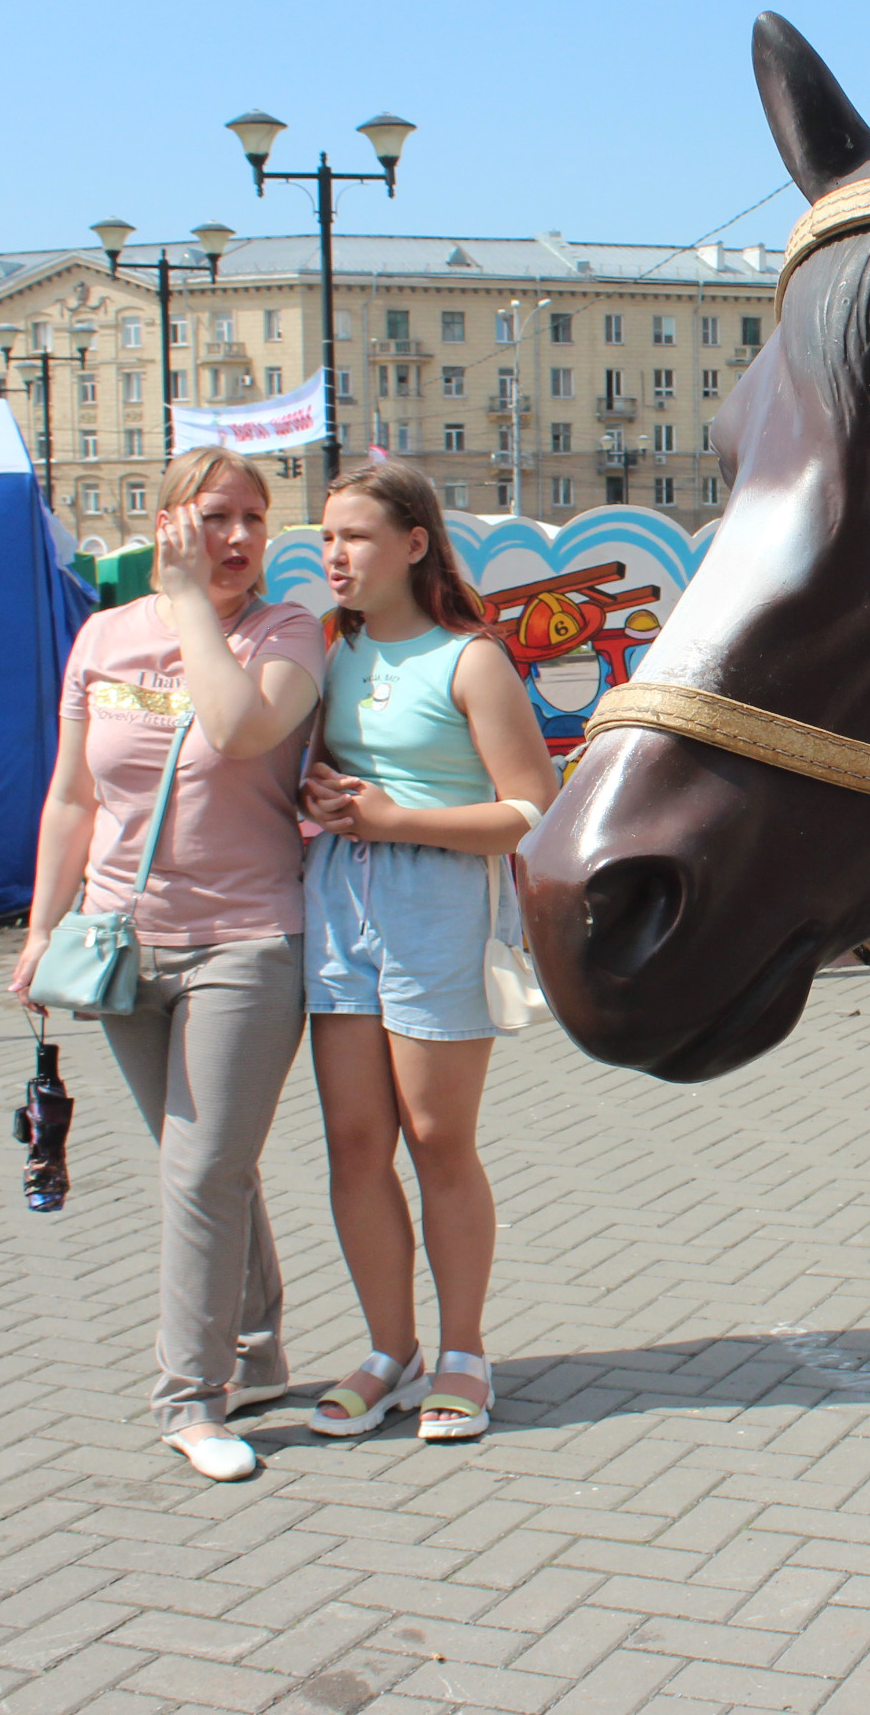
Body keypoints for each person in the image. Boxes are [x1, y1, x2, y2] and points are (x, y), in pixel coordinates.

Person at [14, 446, 326, 1483]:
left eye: (254, 517)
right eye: (216, 515)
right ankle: (260, 1347)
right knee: (207, 1165)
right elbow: (72, 797)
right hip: (119, 942)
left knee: (199, 1171)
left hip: (246, 938)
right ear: (169, 518)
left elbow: (239, 729)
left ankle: (189, 1398)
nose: (239, 537)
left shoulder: (285, 631)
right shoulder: (103, 636)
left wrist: (192, 602)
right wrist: (38, 928)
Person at [299, 463, 557, 1445]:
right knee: (356, 1142)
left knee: (436, 1137)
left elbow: (533, 807)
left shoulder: (470, 658)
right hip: (339, 902)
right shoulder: (333, 651)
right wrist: (321, 802)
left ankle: (462, 1352)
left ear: (415, 543)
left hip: (439, 904)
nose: (335, 554)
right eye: (327, 536)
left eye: (356, 536)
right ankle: (387, 1350)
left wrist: (396, 814)